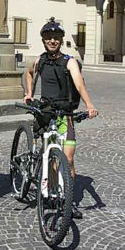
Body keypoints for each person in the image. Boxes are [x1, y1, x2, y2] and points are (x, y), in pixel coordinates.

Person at [24, 17, 98, 219]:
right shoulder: (40, 60)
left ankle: (67, 200)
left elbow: (80, 84)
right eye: (49, 38)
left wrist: (89, 104)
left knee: (68, 160)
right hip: (46, 114)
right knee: (51, 160)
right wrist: (29, 93)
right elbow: (28, 73)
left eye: (56, 37)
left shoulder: (70, 62)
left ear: (61, 40)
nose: (52, 41)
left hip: (65, 115)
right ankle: (52, 192)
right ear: (44, 40)